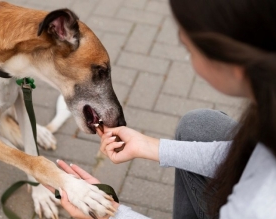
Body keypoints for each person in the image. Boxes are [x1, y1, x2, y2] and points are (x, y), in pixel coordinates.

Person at [52, 0, 276, 218]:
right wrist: (151, 147)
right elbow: (247, 158)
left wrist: (111, 215)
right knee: (198, 126)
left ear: (233, 63)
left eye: (189, 48)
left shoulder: (258, 204)